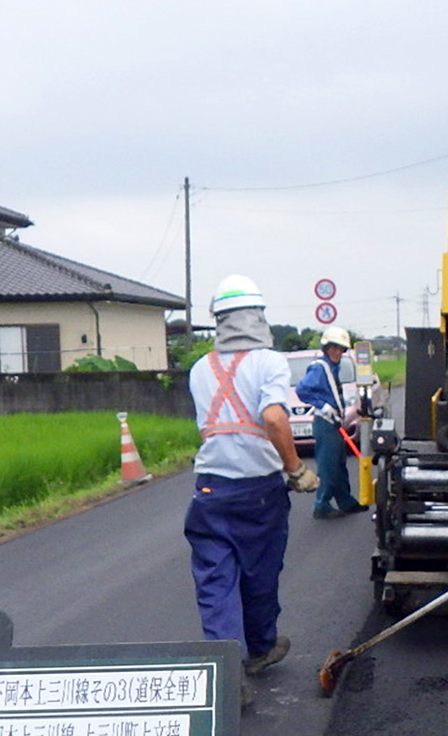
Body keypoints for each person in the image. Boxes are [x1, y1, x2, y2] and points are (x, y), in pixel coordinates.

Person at [186, 274, 320, 705]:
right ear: (258, 316)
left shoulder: (199, 369)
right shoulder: (269, 362)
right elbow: (276, 420)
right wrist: (297, 470)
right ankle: (259, 650)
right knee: (258, 576)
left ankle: (226, 674)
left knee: (215, 584)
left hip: (209, 491)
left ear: (219, 320)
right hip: (259, 492)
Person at [297, 326, 368, 518]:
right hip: (325, 422)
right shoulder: (319, 367)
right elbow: (302, 390)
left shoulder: (332, 367)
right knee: (328, 465)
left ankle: (346, 502)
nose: (337, 352)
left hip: (335, 421)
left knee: (338, 464)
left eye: (341, 349)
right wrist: (324, 406)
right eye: (333, 348)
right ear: (326, 348)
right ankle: (322, 505)